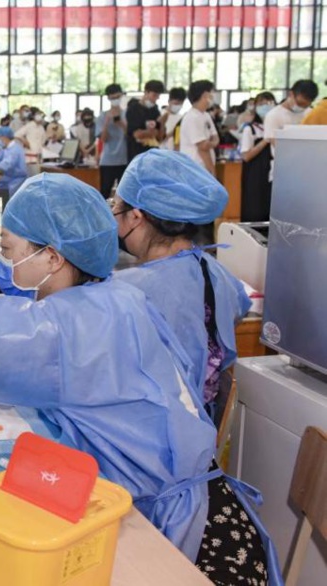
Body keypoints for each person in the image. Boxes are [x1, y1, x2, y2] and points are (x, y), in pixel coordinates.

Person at [0, 172, 277, 585]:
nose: (4, 260)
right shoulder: (115, 296)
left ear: (52, 256)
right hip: (197, 497)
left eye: (8, 248)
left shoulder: (70, 326)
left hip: (183, 532)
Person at [113, 150, 251, 416]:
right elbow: (236, 311)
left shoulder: (129, 290)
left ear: (135, 217)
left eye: (117, 207)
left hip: (154, 430)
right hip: (202, 422)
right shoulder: (217, 272)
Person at [263, 79, 319, 181]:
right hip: (283, 172)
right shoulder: (274, 115)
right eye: (300, 103)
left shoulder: (311, 113)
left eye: (306, 105)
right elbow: (279, 146)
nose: (302, 107)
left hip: (309, 172)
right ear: (291, 94)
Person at [239, 92, 277, 222]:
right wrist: (265, 140)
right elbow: (246, 156)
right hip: (255, 175)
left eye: (269, 103)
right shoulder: (250, 129)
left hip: (271, 173)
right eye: (261, 104)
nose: (265, 107)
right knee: (255, 209)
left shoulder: (277, 128)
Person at [179, 80, 220, 175]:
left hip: (204, 169)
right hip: (195, 170)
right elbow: (203, 147)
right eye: (211, 93)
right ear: (205, 95)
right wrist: (212, 171)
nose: (213, 96)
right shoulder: (192, 117)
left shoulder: (206, 115)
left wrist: (211, 143)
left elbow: (216, 138)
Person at [96, 84, 129, 199]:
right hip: (107, 161)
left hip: (124, 160)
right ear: (109, 98)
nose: (116, 100)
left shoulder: (127, 114)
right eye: (113, 97)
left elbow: (130, 135)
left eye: (118, 96)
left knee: (124, 195)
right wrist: (107, 122)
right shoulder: (102, 116)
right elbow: (104, 139)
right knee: (104, 192)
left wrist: (119, 122)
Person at [126, 79, 165, 162]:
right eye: (154, 95)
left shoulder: (155, 110)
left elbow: (159, 137)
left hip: (153, 155)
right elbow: (137, 134)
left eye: (158, 96)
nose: (156, 99)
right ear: (146, 92)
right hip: (137, 156)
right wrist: (152, 132)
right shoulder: (133, 109)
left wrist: (161, 123)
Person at [0, 126, 27, 195]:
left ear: (5, 138)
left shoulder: (15, 150)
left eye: (0, 138)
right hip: (7, 181)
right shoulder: (7, 149)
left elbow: (5, 165)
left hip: (15, 182)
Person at [14, 107, 46, 175]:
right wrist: (25, 142)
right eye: (38, 114)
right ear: (33, 115)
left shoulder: (41, 127)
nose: (40, 116)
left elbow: (43, 140)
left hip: (39, 155)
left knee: (38, 175)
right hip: (30, 154)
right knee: (32, 176)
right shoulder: (29, 125)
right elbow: (17, 134)